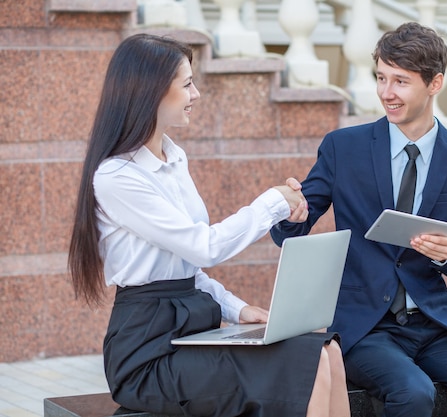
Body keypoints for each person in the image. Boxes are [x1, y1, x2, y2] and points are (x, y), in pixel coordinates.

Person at [67, 33, 350, 417]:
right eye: (186, 84)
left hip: (190, 332)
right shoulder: (117, 177)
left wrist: (238, 309)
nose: (196, 94)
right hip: (147, 355)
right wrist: (271, 203)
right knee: (308, 362)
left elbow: (187, 269)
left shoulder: (174, 157)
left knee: (327, 350)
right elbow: (204, 246)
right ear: (150, 92)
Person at [271, 22, 447, 417]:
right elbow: (289, 230)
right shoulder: (344, 147)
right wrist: (291, 211)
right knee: (413, 393)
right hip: (365, 327)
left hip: (434, 325)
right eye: (381, 78)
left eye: (400, 81)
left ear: (435, 83)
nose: (386, 93)